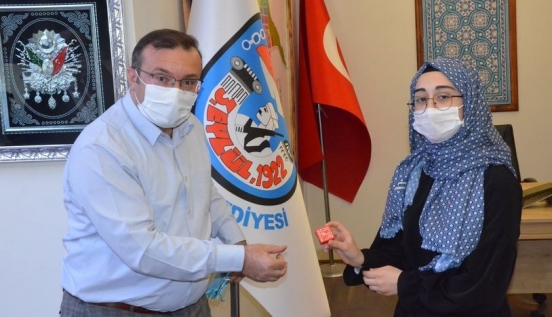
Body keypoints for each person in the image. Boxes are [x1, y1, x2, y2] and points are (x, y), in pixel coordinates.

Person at [60, 29, 287, 316]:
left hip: (191, 306)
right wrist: (239, 259)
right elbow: (142, 250)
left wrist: (236, 240)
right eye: (162, 78)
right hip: (116, 310)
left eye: (188, 81)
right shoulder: (102, 148)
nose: (175, 90)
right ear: (133, 76)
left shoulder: (190, 127)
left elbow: (205, 193)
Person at [325, 57, 522, 317]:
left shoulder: (497, 181)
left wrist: (405, 284)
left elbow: (485, 286)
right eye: (420, 99)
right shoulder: (413, 172)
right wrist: (361, 259)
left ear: (471, 103)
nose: (430, 108)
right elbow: (400, 251)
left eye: (443, 97)